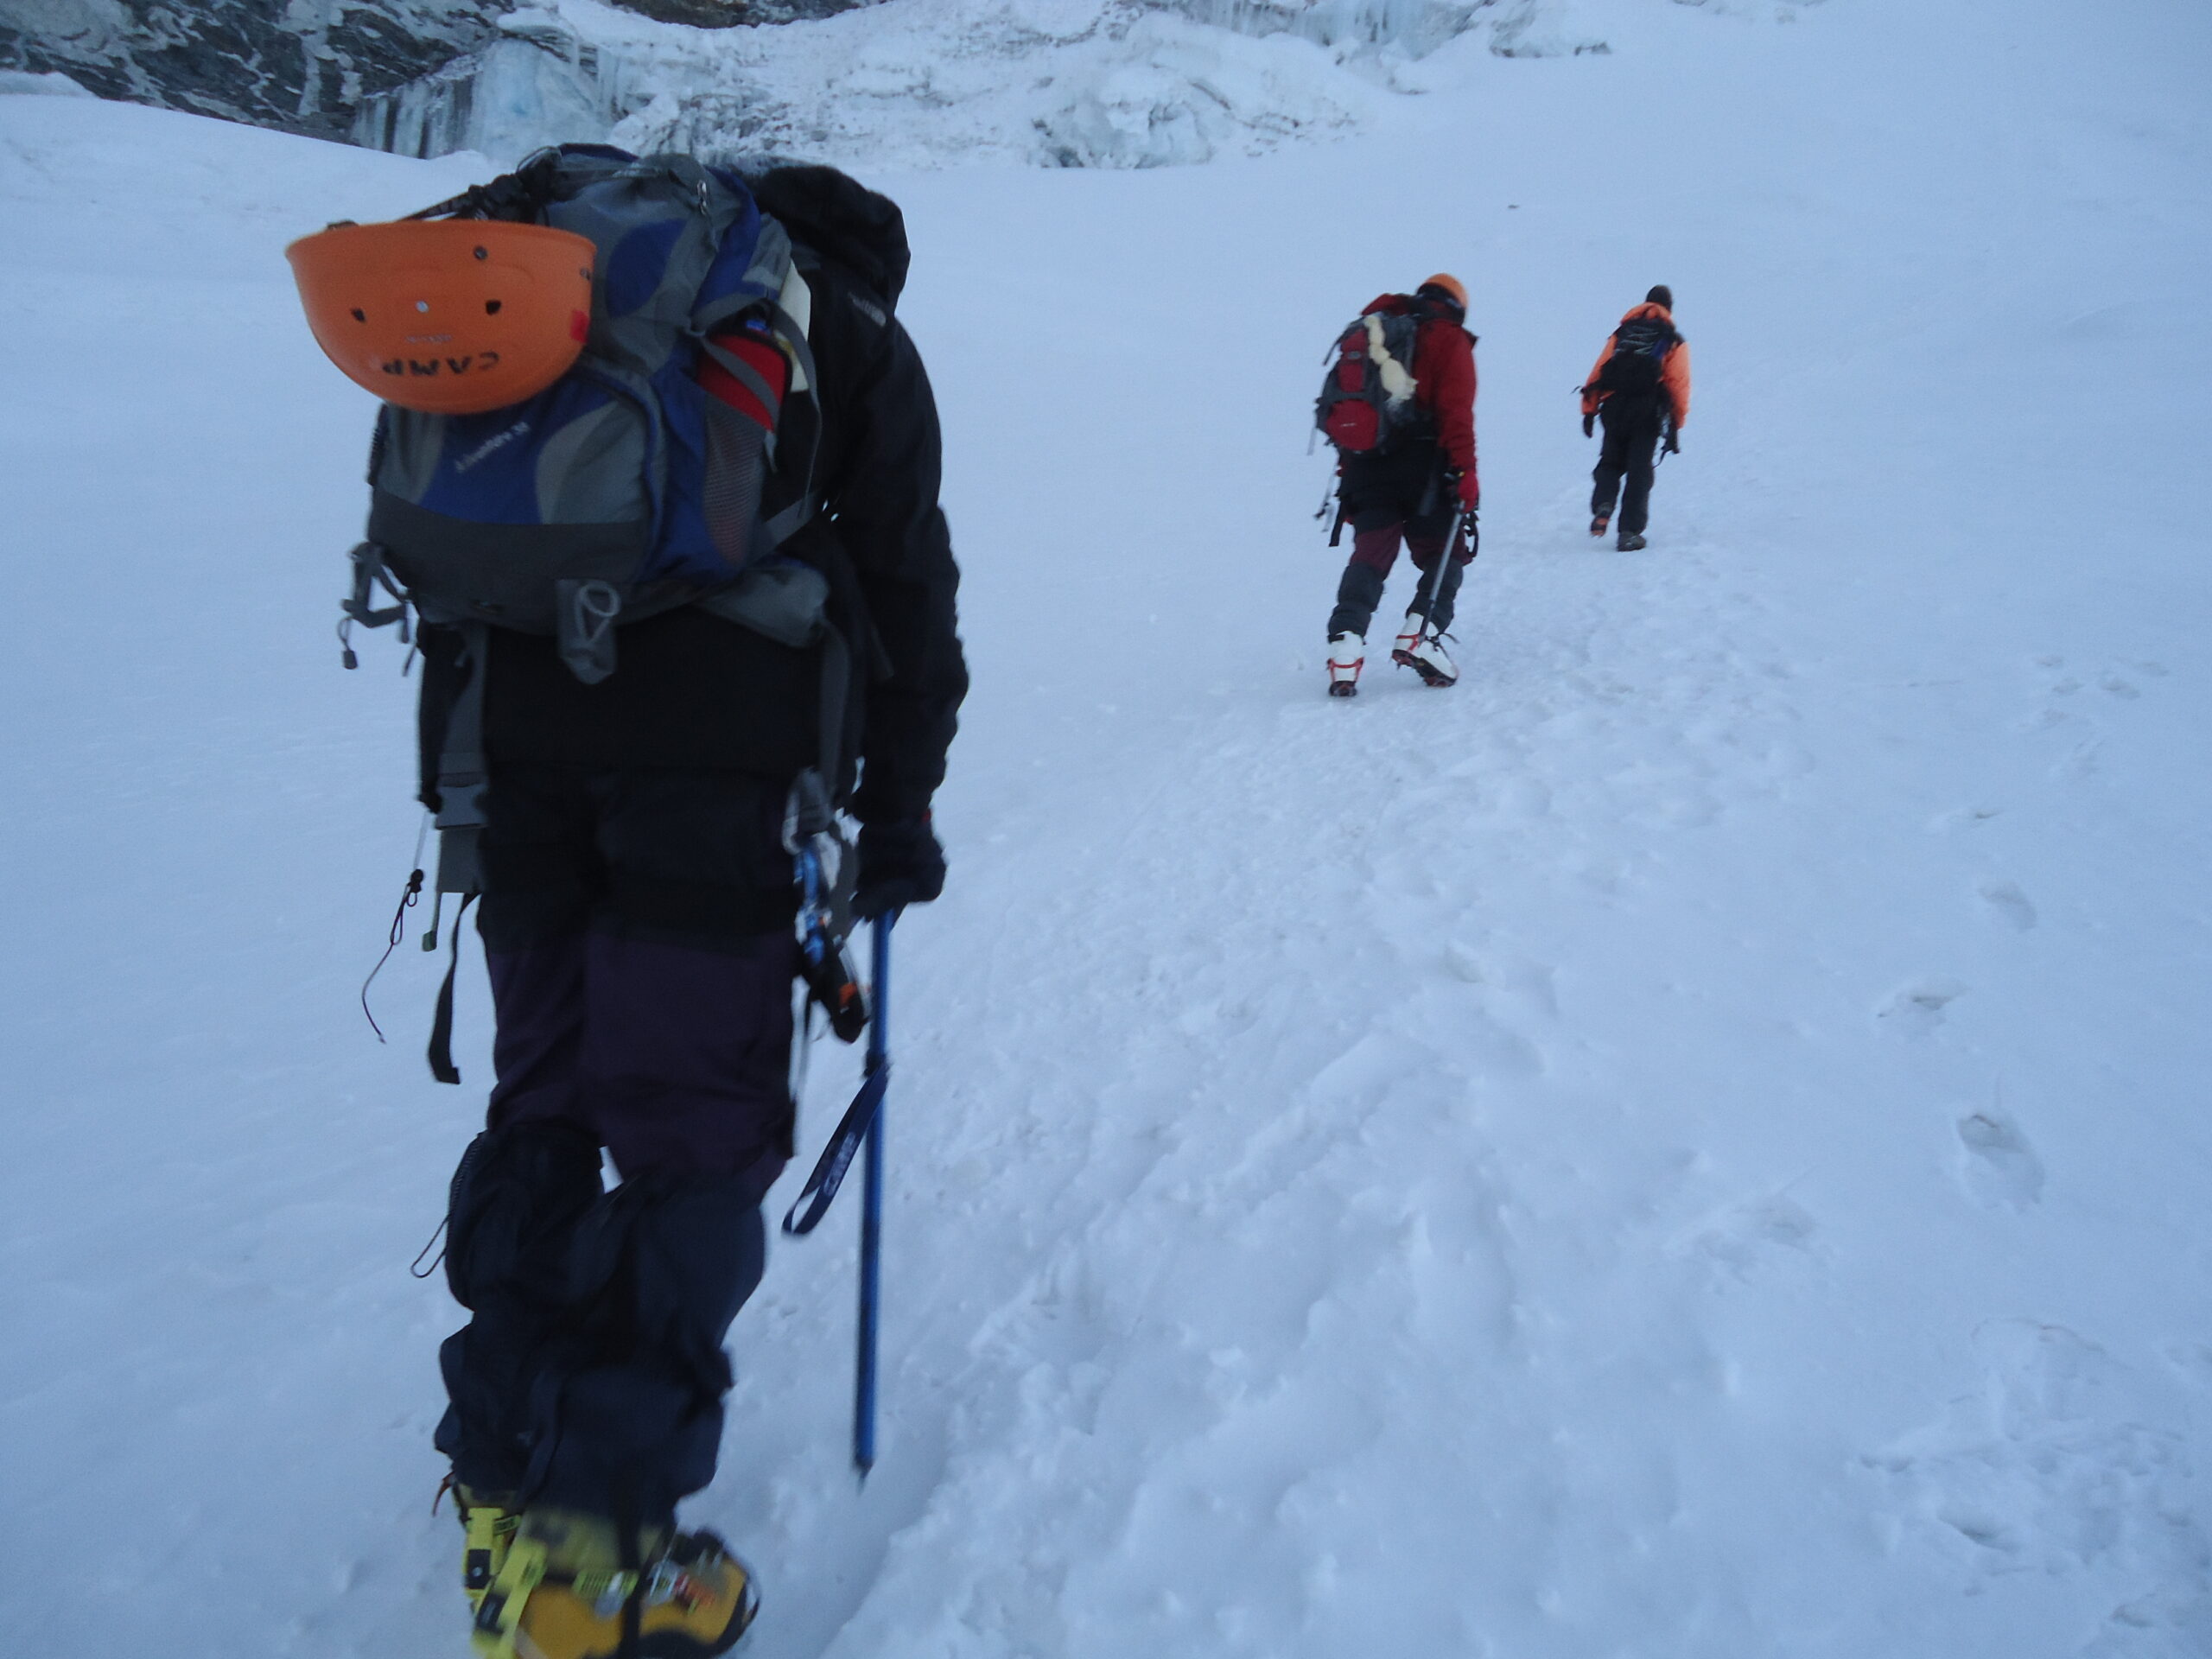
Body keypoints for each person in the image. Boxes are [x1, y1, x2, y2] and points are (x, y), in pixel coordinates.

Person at [416, 163, 966, 1657]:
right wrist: (900, 814)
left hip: (508, 760)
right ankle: (592, 1554)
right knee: (689, 1135)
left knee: (544, 1103)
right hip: (711, 775)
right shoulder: (849, 330)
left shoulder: (571, 284)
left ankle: (500, 1471)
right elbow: (908, 586)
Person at [1322, 273, 1480, 695]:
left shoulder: (1374, 333)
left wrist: (1348, 470)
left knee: (1370, 555)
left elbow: (1348, 411)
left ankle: (1345, 648)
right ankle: (1420, 634)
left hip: (1366, 465)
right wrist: (1467, 475)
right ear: (1456, 306)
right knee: (1444, 555)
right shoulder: (1448, 339)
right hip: (1425, 470)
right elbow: (1456, 416)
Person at [1580, 284, 1691, 551]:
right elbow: (1678, 383)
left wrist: (1589, 409)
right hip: (1647, 410)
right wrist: (1676, 421)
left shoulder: (1623, 332)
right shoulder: (1672, 338)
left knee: (1610, 461)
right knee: (1639, 471)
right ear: (1669, 308)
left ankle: (1604, 503)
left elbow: (1599, 370)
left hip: (1614, 406)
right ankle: (1629, 532)